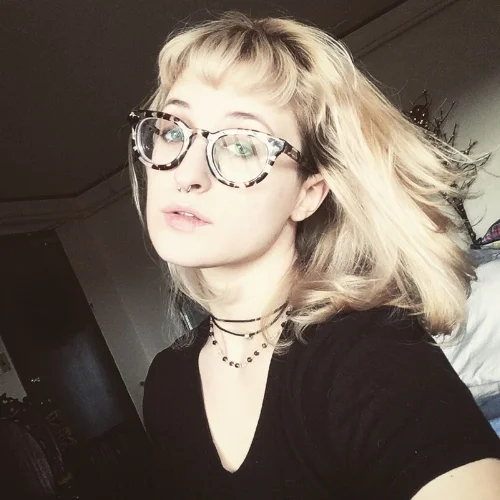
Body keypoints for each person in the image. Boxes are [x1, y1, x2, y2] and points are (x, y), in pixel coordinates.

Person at [128, 12, 500, 499]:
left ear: (308, 194)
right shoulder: (166, 383)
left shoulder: (367, 356)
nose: (187, 173)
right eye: (174, 131)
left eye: (241, 146)